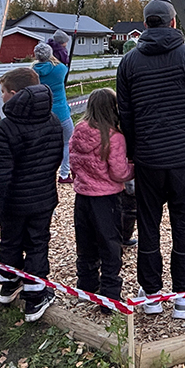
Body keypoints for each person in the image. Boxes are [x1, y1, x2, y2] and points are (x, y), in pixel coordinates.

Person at [117, 0, 185, 319]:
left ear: (145, 24)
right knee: (183, 227)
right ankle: (184, 296)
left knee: (148, 226)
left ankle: (151, 295)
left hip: (148, 162)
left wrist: (133, 156)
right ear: (174, 22)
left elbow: (126, 116)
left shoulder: (129, 62)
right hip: (184, 159)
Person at [0, 67, 64, 321]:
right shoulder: (53, 121)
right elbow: (55, 159)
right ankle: (34, 294)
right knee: (37, 242)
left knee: (10, 240)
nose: (2, 97)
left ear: (16, 94)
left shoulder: (5, 129)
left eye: (4, 92)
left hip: (12, 200)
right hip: (43, 195)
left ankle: (12, 285)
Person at [68, 88, 133, 313]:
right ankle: (110, 295)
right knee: (110, 246)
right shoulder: (114, 137)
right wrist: (134, 169)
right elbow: (118, 172)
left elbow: (73, 163)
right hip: (106, 199)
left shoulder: (78, 130)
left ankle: (86, 287)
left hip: (83, 196)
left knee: (85, 244)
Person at [32, 42, 73, 184]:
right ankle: (64, 174)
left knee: (43, 145)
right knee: (67, 142)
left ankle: (43, 174)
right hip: (61, 112)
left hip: (42, 113)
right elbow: (65, 66)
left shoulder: (33, 73)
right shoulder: (60, 69)